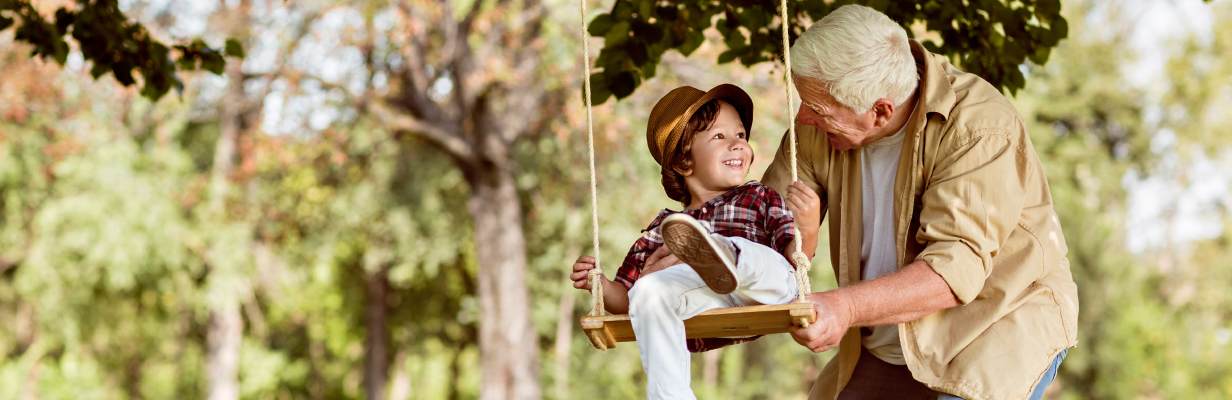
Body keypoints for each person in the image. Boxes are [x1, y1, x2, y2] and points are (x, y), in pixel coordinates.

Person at [760, 5, 1080, 400]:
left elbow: (952, 269)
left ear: (880, 111)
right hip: (884, 337)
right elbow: (762, 224)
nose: (804, 118)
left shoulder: (980, 127)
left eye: (819, 110)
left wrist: (843, 308)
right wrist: (690, 251)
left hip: (992, 325)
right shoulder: (818, 124)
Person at [568, 84, 822, 399]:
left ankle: (724, 252)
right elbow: (627, 297)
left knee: (756, 259)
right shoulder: (665, 229)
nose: (737, 145)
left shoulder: (759, 196)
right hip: (706, 300)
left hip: (767, 289)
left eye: (741, 135)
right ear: (683, 162)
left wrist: (808, 227)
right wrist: (601, 286)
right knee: (649, 290)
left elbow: (795, 258)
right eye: (720, 137)